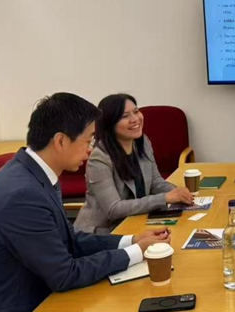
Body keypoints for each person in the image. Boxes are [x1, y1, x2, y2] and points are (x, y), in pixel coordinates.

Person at [0, 93, 171, 312]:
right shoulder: (22, 194)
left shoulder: (35, 173)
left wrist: (131, 241)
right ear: (60, 141)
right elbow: (65, 274)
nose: (90, 149)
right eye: (88, 140)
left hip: (40, 304)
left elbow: (70, 239)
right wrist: (136, 253)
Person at [74, 93, 193, 234]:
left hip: (137, 220)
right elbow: (114, 209)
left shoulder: (142, 142)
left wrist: (179, 193)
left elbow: (155, 182)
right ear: (109, 123)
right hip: (103, 232)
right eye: (125, 116)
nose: (135, 119)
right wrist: (165, 198)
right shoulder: (99, 158)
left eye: (136, 111)